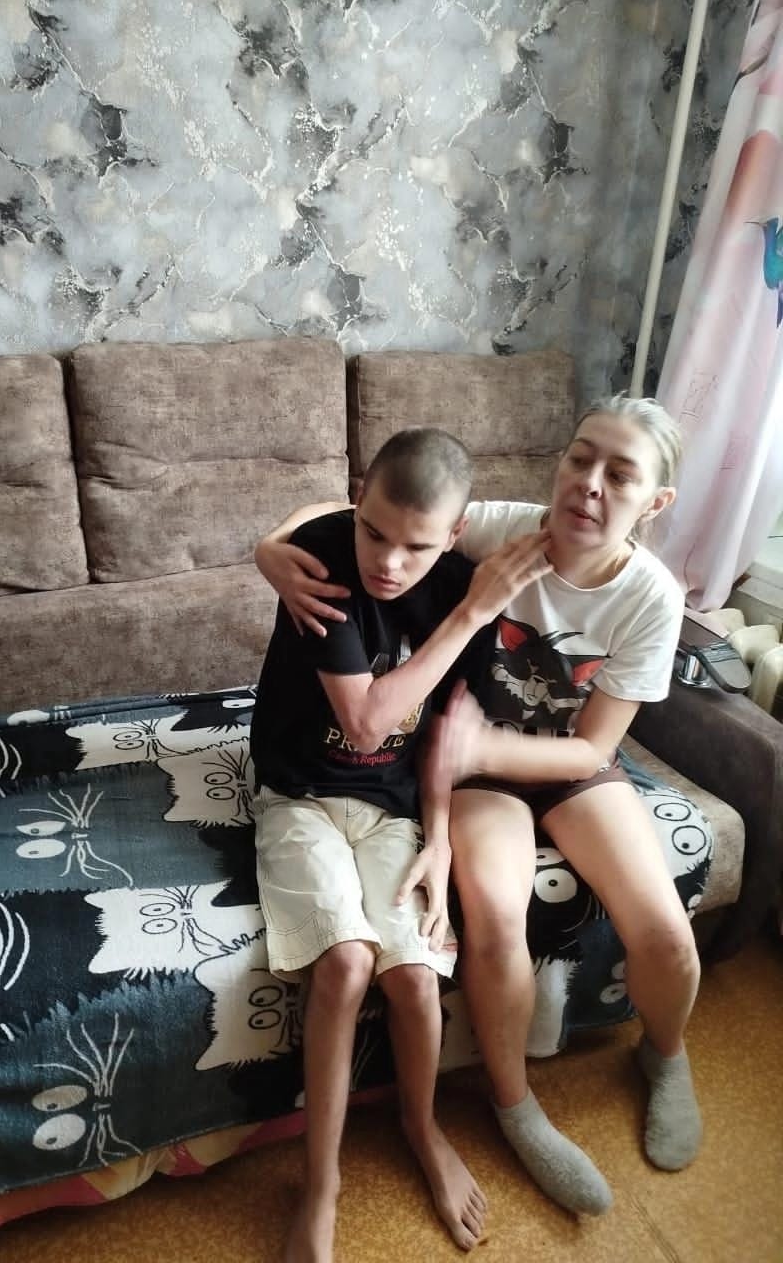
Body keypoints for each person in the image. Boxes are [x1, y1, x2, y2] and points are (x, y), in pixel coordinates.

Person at [255, 395, 700, 1220]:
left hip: (556, 761)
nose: (589, 484)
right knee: (496, 915)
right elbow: (363, 510)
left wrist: (478, 749)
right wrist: (268, 549)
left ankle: (665, 1055)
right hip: (472, 774)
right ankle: (514, 1104)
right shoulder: (500, 529)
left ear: (654, 501)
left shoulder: (651, 597)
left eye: (620, 474)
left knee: (667, 933)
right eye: (580, 457)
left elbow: (592, 751)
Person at [250, 427, 552, 1262]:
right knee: (346, 963)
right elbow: (366, 720)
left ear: (454, 534)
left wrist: (441, 838)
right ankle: (321, 1185)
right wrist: (471, 613)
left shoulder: (463, 586)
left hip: (391, 805)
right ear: (357, 500)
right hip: (300, 795)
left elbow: (441, 737)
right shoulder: (320, 561)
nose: (388, 562)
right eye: (374, 532)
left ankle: (422, 1128)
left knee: (416, 979)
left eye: (417, 546)